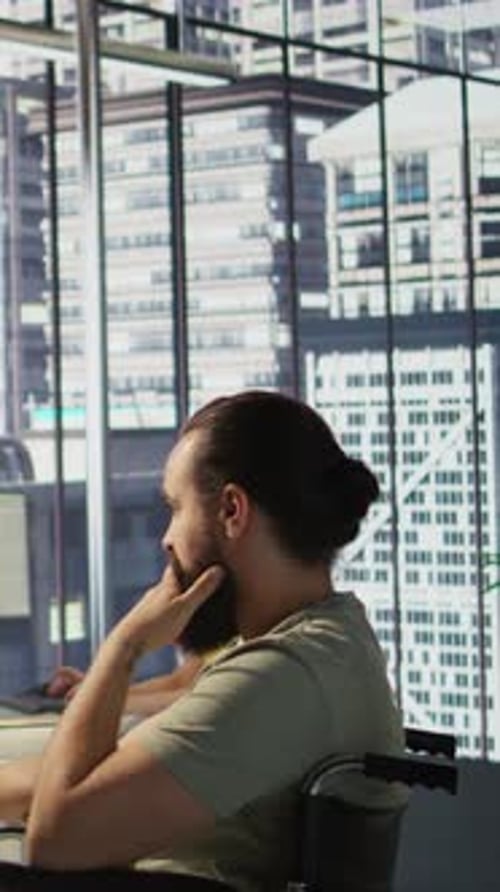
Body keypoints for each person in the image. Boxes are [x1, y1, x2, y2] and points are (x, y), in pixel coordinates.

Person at [0, 390, 405, 892]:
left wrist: (124, 646)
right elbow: (107, 770)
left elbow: (54, 839)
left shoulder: (282, 678)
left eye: (175, 507)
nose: (166, 538)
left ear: (233, 511)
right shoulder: (323, 645)